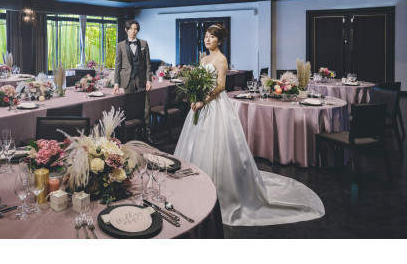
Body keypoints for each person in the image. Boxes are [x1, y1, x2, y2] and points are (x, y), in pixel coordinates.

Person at [174, 24, 325, 226]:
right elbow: (199, 80)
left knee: (218, 145)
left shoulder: (221, 59)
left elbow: (220, 87)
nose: (207, 39)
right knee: (195, 143)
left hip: (215, 104)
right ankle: (194, 185)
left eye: (211, 37)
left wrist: (203, 100)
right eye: (206, 36)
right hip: (201, 104)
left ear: (219, 40)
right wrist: (195, 97)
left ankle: (220, 190)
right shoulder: (204, 58)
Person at [113, 20, 156, 145]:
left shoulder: (144, 44)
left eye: (136, 29)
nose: (133, 31)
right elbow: (118, 65)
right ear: (126, 30)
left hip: (142, 80)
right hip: (127, 81)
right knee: (129, 108)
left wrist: (149, 80)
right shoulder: (120, 45)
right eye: (131, 28)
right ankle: (130, 136)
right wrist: (116, 83)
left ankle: (147, 135)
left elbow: (148, 64)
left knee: (146, 108)